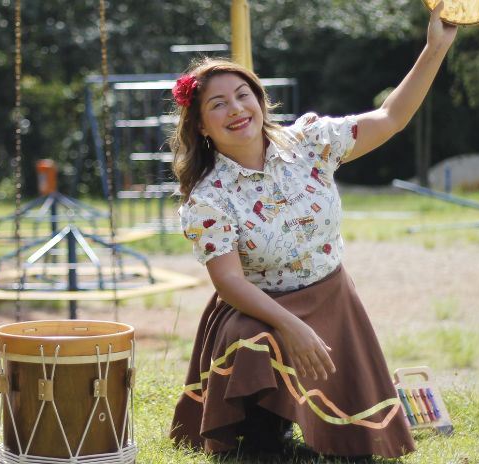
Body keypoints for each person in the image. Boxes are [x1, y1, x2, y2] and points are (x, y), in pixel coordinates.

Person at [168, 2, 457, 460]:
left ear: (260, 101)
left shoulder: (311, 143)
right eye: (218, 104)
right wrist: (289, 326)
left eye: (243, 95)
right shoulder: (207, 197)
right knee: (252, 343)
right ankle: (261, 438)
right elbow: (229, 281)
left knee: (358, 452)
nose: (236, 109)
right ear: (202, 126)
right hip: (258, 309)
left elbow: (390, 118)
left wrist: (434, 47)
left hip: (331, 300)